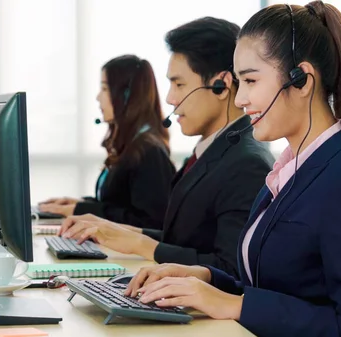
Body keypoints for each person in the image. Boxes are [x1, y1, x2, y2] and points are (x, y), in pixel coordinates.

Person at [124, 2, 341, 336]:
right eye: (239, 82)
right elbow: (277, 287)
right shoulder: (289, 172)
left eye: (251, 81)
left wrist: (235, 305)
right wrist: (205, 278)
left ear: (301, 81)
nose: (239, 98)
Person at [59, 17, 275, 278]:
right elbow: (185, 240)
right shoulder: (213, 150)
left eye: (179, 84)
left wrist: (142, 244)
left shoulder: (246, 163)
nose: (170, 98)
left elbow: (230, 269)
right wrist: (118, 230)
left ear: (222, 85)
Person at [39, 55, 175, 230]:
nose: (98, 97)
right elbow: (119, 204)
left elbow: (150, 222)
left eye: (104, 88)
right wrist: (79, 204)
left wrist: (79, 210)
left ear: (126, 96)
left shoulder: (149, 152)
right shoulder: (131, 146)